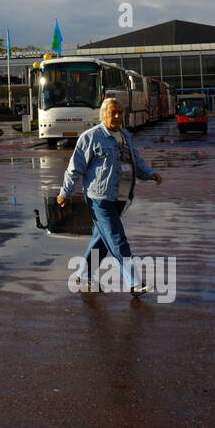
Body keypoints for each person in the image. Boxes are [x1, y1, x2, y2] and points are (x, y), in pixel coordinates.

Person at [56, 98, 163, 293]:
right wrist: (65, 192)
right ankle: (134, 283)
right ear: (102, 114)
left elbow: (136, 163)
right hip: (99, 198)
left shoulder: (125, 136)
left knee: (101, 240)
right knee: (117, 239)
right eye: (112, 112)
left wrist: (149, 174)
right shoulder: (91, 137)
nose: (116, 116)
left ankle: (84, 274)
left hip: (121, 199)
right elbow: (74, 168)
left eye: (120, 113)